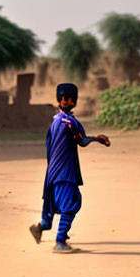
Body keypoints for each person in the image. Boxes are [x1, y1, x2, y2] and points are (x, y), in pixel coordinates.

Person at [29, 83, 110, 253]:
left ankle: (41, 228)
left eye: (67, 98)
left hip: (52, 172)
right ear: (74, 101)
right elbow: (82, 141)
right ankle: (60, 242)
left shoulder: (55, 121)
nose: (66, 101)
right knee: (71, 204)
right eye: (65, 98)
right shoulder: (70, 122)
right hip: (64, 172)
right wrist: (98, 139)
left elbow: (49, 146)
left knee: (54, 203)